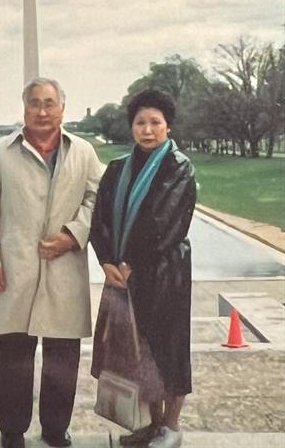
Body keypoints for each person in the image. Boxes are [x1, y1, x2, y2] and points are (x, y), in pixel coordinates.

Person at [0, 77, 103, 448]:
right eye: (35, 103)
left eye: (50, 103)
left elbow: (97, 199)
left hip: (65, 264)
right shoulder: (1, 152)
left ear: (64, 107)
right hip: (16, 266)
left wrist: (72, 234)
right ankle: (11, 430)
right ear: (24, 108)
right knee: (13, 355)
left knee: (63, 357)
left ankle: (56, 428)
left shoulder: (83, 152)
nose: (42, 111)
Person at [90, 89, 196, 448]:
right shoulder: (118, 168)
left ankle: (171, 425)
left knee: (168, 349)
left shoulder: (179, 167)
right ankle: (149, 425)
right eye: (140, 122)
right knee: (140, 352)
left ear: (168, 127)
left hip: (165, 273)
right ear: (131, 126)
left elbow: (164, 222)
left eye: (155, 122)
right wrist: (106, 259)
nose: (147, 129)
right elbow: (100, 219)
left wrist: (131, 262)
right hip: (123, 275)